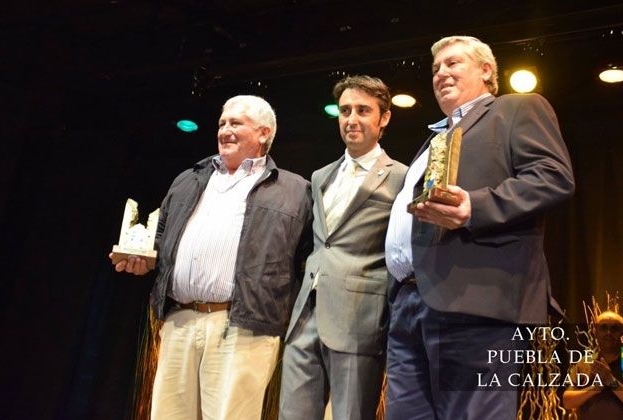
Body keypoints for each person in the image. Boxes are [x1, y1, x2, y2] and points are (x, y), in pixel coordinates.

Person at [384, 35, 575, 419]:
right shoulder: (434, 139)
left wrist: (476, 207)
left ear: (487, 70)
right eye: (435, 68)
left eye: (453, 63)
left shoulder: (516, 108)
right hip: (408, 303)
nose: (441, 73)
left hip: (476, 303)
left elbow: (553, 177)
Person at [110, 95, 313, 420]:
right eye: (222, 123)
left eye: (236, 123)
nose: (225, 130)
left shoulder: (295, 190)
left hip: (243, 328)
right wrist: (143, 257)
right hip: (179, 321)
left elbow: (308, 260)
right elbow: (161, 239)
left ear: (263, 133)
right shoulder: (189, 179)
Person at [279, 75, 407, 420]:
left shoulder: (401, 177)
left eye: (363, 110)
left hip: (358, 319)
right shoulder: (321, 175)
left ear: (384, 118)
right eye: (345, 110)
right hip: (307, 312)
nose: (351, 119)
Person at [563, 311, 623, 419]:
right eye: (603, 328)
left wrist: (612, 382)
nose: (609, 332)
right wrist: (594, 389)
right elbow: (568, 402)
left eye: (615, 328)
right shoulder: (585, 362)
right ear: (595, 332)